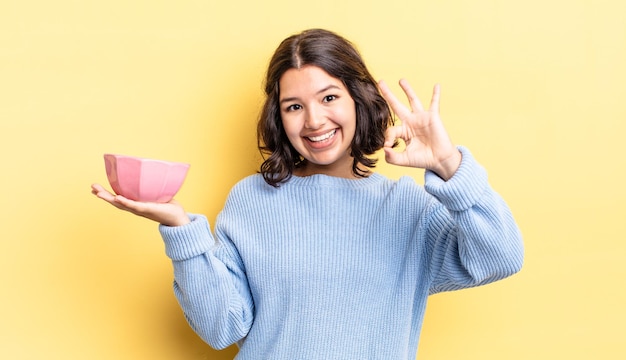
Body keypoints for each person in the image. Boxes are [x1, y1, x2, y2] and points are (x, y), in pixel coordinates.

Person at [91, 28, 524, 359]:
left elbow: (500, 257)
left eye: (329, 97)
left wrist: (448, 165)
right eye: (294, 106)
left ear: (358, 99)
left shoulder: (406, 209)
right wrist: (181, 231)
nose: (314, 121)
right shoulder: (252, 200)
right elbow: (224, 327)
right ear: (279, 119)